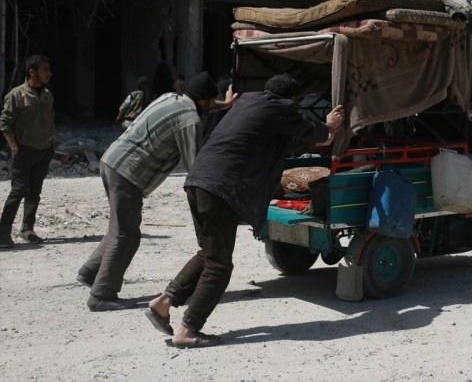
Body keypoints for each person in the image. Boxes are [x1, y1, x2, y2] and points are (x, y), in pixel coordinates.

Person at [145, 74, 344, 348]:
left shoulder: (248, 104)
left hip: (198, 181)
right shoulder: (280, 108)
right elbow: (316, 133)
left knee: (209, 252)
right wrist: (328, 125)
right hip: (222, 188)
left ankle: (163, 302)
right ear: (291, 99)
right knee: (219, 264)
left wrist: (320, 134)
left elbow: (293, 141)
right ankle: (188, 329)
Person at [77, 72, 237, 312]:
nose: (212, 105)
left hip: (112, 161)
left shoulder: (170, 98)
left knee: (120, 227)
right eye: (211, 101)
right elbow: (195, 166)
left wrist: (225, 104)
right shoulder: (190, 120)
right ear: (204, 100)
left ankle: (90, 272)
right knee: (127, 235)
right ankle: (102, 294)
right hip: (128, 173)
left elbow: (204, 105)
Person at [0, 55, 55, 248]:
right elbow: (5, 124)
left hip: (44, 150)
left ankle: (27, 229)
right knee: (18, 191)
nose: (49, 74)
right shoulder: (16, 95)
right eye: (45, 69)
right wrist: (14, 147)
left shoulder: (47, 95)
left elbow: (50, 121)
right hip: (24, 151)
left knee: (34, 191)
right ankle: (3, 233)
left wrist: (51, 143)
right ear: (32, 72)